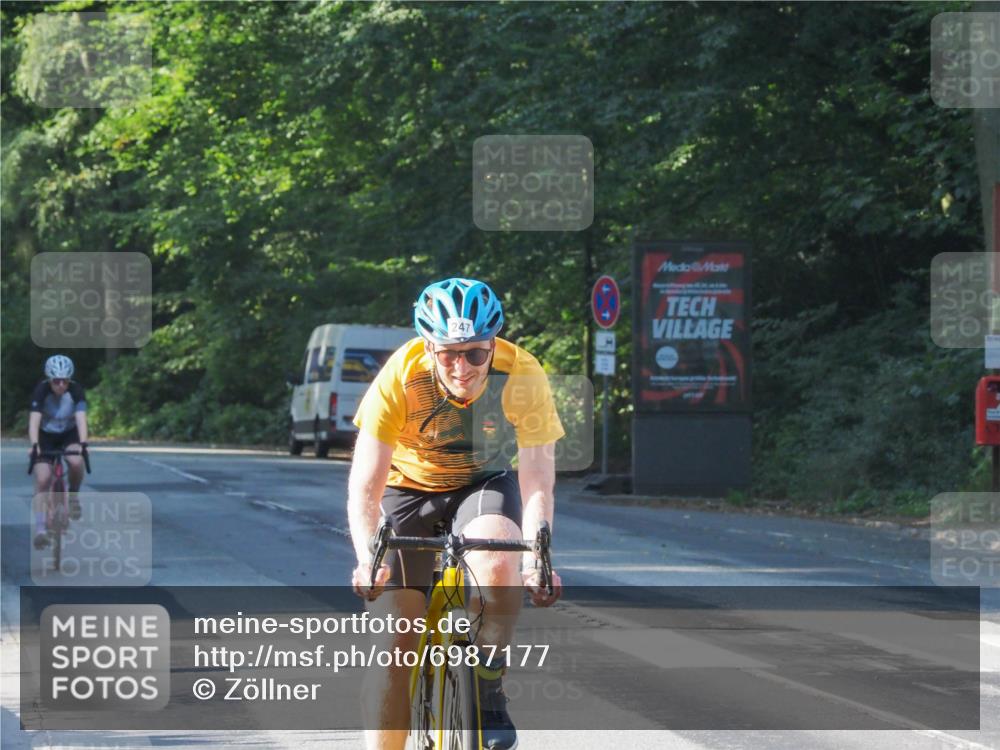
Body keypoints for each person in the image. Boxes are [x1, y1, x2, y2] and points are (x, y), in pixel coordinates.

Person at [348, 277, 565, 750]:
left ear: (493, 345)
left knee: (499, 566)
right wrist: (370, 558)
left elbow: (536, 479)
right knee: (394, 644)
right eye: (448, 353)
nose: (461, 366)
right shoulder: (400, 377)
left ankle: (487, 690)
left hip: (481, 483)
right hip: (405, 489)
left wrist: (538, 555)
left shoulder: (522, 374)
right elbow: (365, 486)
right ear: (428, 347)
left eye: (474, 353)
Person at [29, 354, 89, 549]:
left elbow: (81, 418)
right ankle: (40, 529)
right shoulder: (41, 390)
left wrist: (83, 442)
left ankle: (73, 496)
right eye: (56, 381)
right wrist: (34, 445)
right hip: (45, 436)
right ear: (49, 379)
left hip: (68, 434)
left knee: (76, 461)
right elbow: (34, 421)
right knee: (43, 479)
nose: (61, 385)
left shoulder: (76, 390)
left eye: (65, 380)